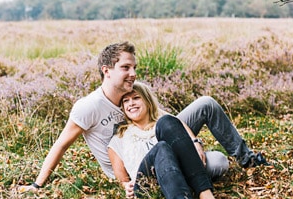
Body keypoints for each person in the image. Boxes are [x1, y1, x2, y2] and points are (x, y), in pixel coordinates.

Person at [25, 41, 268, 191]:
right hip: (134, 166)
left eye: (134, 67)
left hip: (156, 140)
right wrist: (37, 185)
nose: (133, 73)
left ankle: (247, 159)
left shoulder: (135, 91)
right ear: (106, 71)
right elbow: (61, 144)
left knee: (206, 104)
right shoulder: (88, 107)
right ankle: (182, 177)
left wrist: (194, 141)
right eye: (125, 68)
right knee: (216, 163)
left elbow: (167, 121)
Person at [108, 82, 219, 199]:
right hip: (146, 182)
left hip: (176, 173)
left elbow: (185, 142)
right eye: (126, 101)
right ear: (122, 108)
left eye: (136, 98)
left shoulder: (163, 123)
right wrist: (126, 186)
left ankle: (207, 198)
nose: (131, 103)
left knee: (168, 124)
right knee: (161, 148)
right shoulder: (118, 137)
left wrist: (196, 143)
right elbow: (122, 178)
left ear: (147, 101)